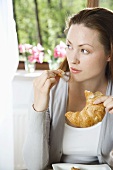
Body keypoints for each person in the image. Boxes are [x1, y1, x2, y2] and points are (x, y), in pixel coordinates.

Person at [23, 7, 113, 170]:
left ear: (109, 54)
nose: (73, 59)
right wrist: (39, 108)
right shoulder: (49, 89)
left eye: (84, 50)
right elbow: (33, 166)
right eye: (69, 46)